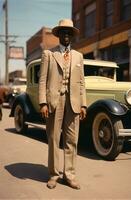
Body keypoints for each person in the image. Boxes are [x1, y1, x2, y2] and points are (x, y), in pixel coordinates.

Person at [38, 19, 87, 190]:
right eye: (63, 32)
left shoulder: (79, 56)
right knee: (53, 138)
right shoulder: (49, 54)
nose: (66, 35)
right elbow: (42, 80)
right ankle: (53, 175)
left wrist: (83, 105)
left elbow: (81, 83)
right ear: (58, 35)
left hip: (73, 103)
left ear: (72, 36)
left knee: (72, 140)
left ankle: (70, 175)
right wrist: (43, 102)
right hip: (54, 102)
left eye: (69, 33)